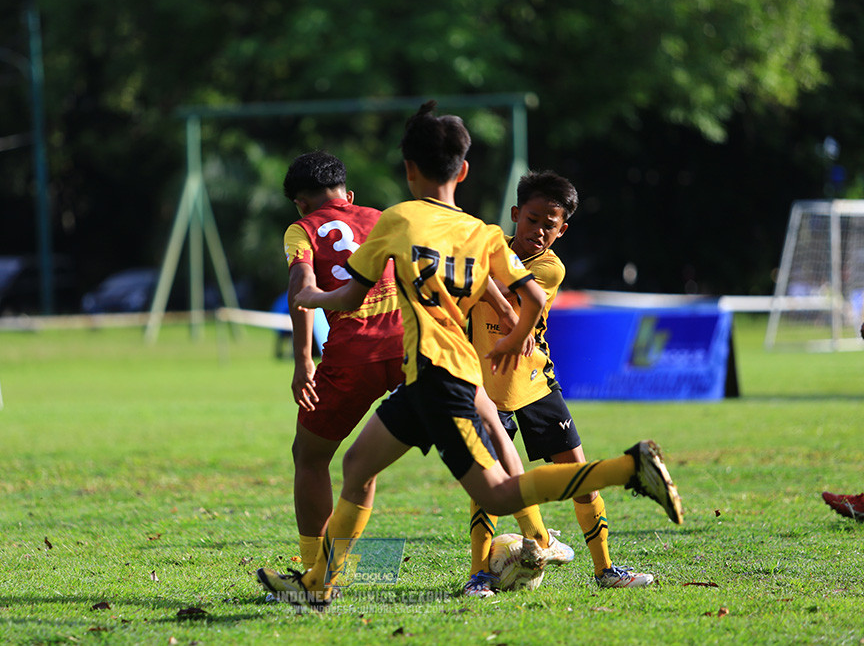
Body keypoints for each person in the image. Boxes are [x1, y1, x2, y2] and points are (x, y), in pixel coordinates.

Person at [256, 101, 683, 613]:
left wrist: (313, 299)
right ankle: (320, 585)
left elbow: (348, 297)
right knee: (357, 465)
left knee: (500, 494)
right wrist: (512, 336)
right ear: (462, 170)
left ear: (409, 170)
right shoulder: (481, 232)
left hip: (440, 379)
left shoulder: (399, 220)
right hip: (430, 374)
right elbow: (530, 298)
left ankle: (626, 468)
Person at [468, 170, 654, 590]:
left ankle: (605, 570)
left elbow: (493, 291)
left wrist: (472, 268)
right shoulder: (487, 247)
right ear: (516, 214)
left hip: (535, 386)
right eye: (531, 220)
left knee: (581, 481)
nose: (538, 231)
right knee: (488, 491)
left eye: (548, 226)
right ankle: (479, 576)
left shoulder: (549, 267)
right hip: (484, 390)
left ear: (561, 230)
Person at [281, 151, 404, 571]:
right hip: (413, 350)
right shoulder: (383, 216)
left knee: (311, 456)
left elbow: (301, 287)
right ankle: (527, 538)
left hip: (354, 357)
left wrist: (303, 361)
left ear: (300, 203)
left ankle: (318, 571)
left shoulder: (301, 230)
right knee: (476, 447)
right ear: (347, 194)